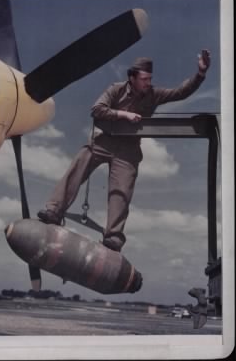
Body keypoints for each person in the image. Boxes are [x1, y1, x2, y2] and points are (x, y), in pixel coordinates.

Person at [38, 50, 211, 252]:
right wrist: (123, 114)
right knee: (80, 162)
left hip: (128, 150)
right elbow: (97, 109)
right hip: (105, 141)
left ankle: (113, 236)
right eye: (144, 79)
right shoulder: (116, 90)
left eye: (150, 79)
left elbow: (181, 92)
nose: (148, 83)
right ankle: (54, 211)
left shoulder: (154, 95)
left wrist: (200, 73)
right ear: (132, 78)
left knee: (121, 192)